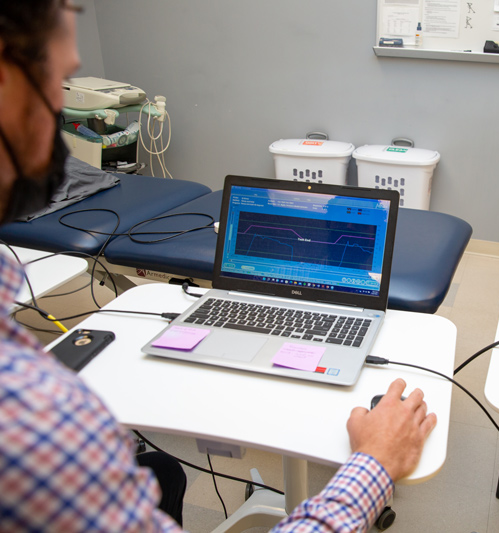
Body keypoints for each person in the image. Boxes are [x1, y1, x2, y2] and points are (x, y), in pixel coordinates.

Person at [0, 2, 437, 531]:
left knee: (163, 471)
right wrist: (375, 465)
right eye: (60, 85)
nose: (72, 125)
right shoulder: (25, 418)